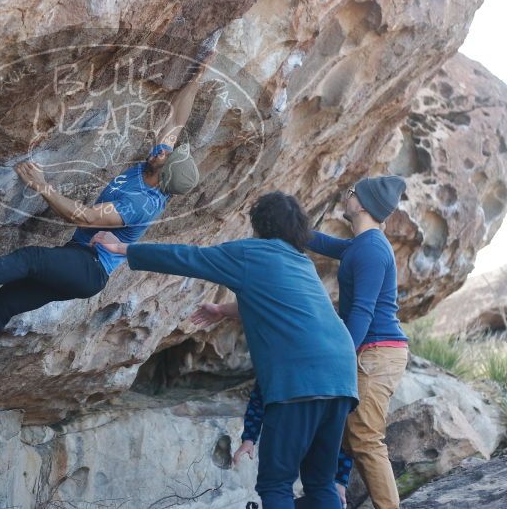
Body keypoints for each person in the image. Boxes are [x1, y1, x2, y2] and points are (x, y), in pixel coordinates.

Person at [0, 32, 221, 391]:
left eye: (166, 154)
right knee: (1, 304)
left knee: (32, 258)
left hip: (88, 270)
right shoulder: (156, 166)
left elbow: (82, 217)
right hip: (74, 259)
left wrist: (42, 186)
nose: (163, 148)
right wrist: (200, 74)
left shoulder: (141, 203)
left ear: (164, 173)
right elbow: (176, 119)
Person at [91, 192, 358, 509]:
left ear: (259, 224)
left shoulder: (251, 253)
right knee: (321, 482)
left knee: (276, 484)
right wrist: (223, 310)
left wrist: (123, 248)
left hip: (301, 378)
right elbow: (280, 307)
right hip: (342, 376)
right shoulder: (302, 263)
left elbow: (189, 258)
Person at [306, 176, 409, 509]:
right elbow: (323, 243)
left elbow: (363, 312)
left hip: (378, 353)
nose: (346, 196)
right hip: (373, 351)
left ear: (362, 204)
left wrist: (340, 356)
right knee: (349, 433)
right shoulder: (360, 246)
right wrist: (287, 227)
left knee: (365, 439)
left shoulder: (372, 250)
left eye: (351, 193)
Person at [229, 380, 354, 507]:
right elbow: (348, 432)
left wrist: (249, 436)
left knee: (276, 485)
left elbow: (262, 386)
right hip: (341, 389)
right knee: (322, 485)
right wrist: (341, 479)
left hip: (292, 388)